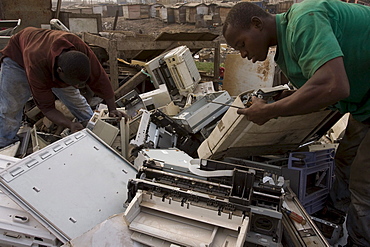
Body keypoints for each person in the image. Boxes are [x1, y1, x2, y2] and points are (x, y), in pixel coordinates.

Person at [223, 0, 370, 246]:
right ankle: (333, 219)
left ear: (257, 24)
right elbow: (314, 89)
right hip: (364, 105)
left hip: (364, 101)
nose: (244, 54)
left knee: (364, 183)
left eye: (242, 44)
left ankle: (359, 241)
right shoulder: (286, 51)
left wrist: (270, 111)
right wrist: (282, 99)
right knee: (345, 160)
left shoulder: (305, 18)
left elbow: (334, 85)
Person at [0, 27, 127, 148]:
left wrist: (112, 108)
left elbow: (100, 78)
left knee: (75, 98)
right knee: (11, 107)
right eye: (74, 83)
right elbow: (47, 108)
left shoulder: (78, 50)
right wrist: (70, 124)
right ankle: (5, 144)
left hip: (50, 58)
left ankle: (93, 128)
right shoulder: (37, 65)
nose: (77, 87)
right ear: (60, 71)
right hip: (18, 60)